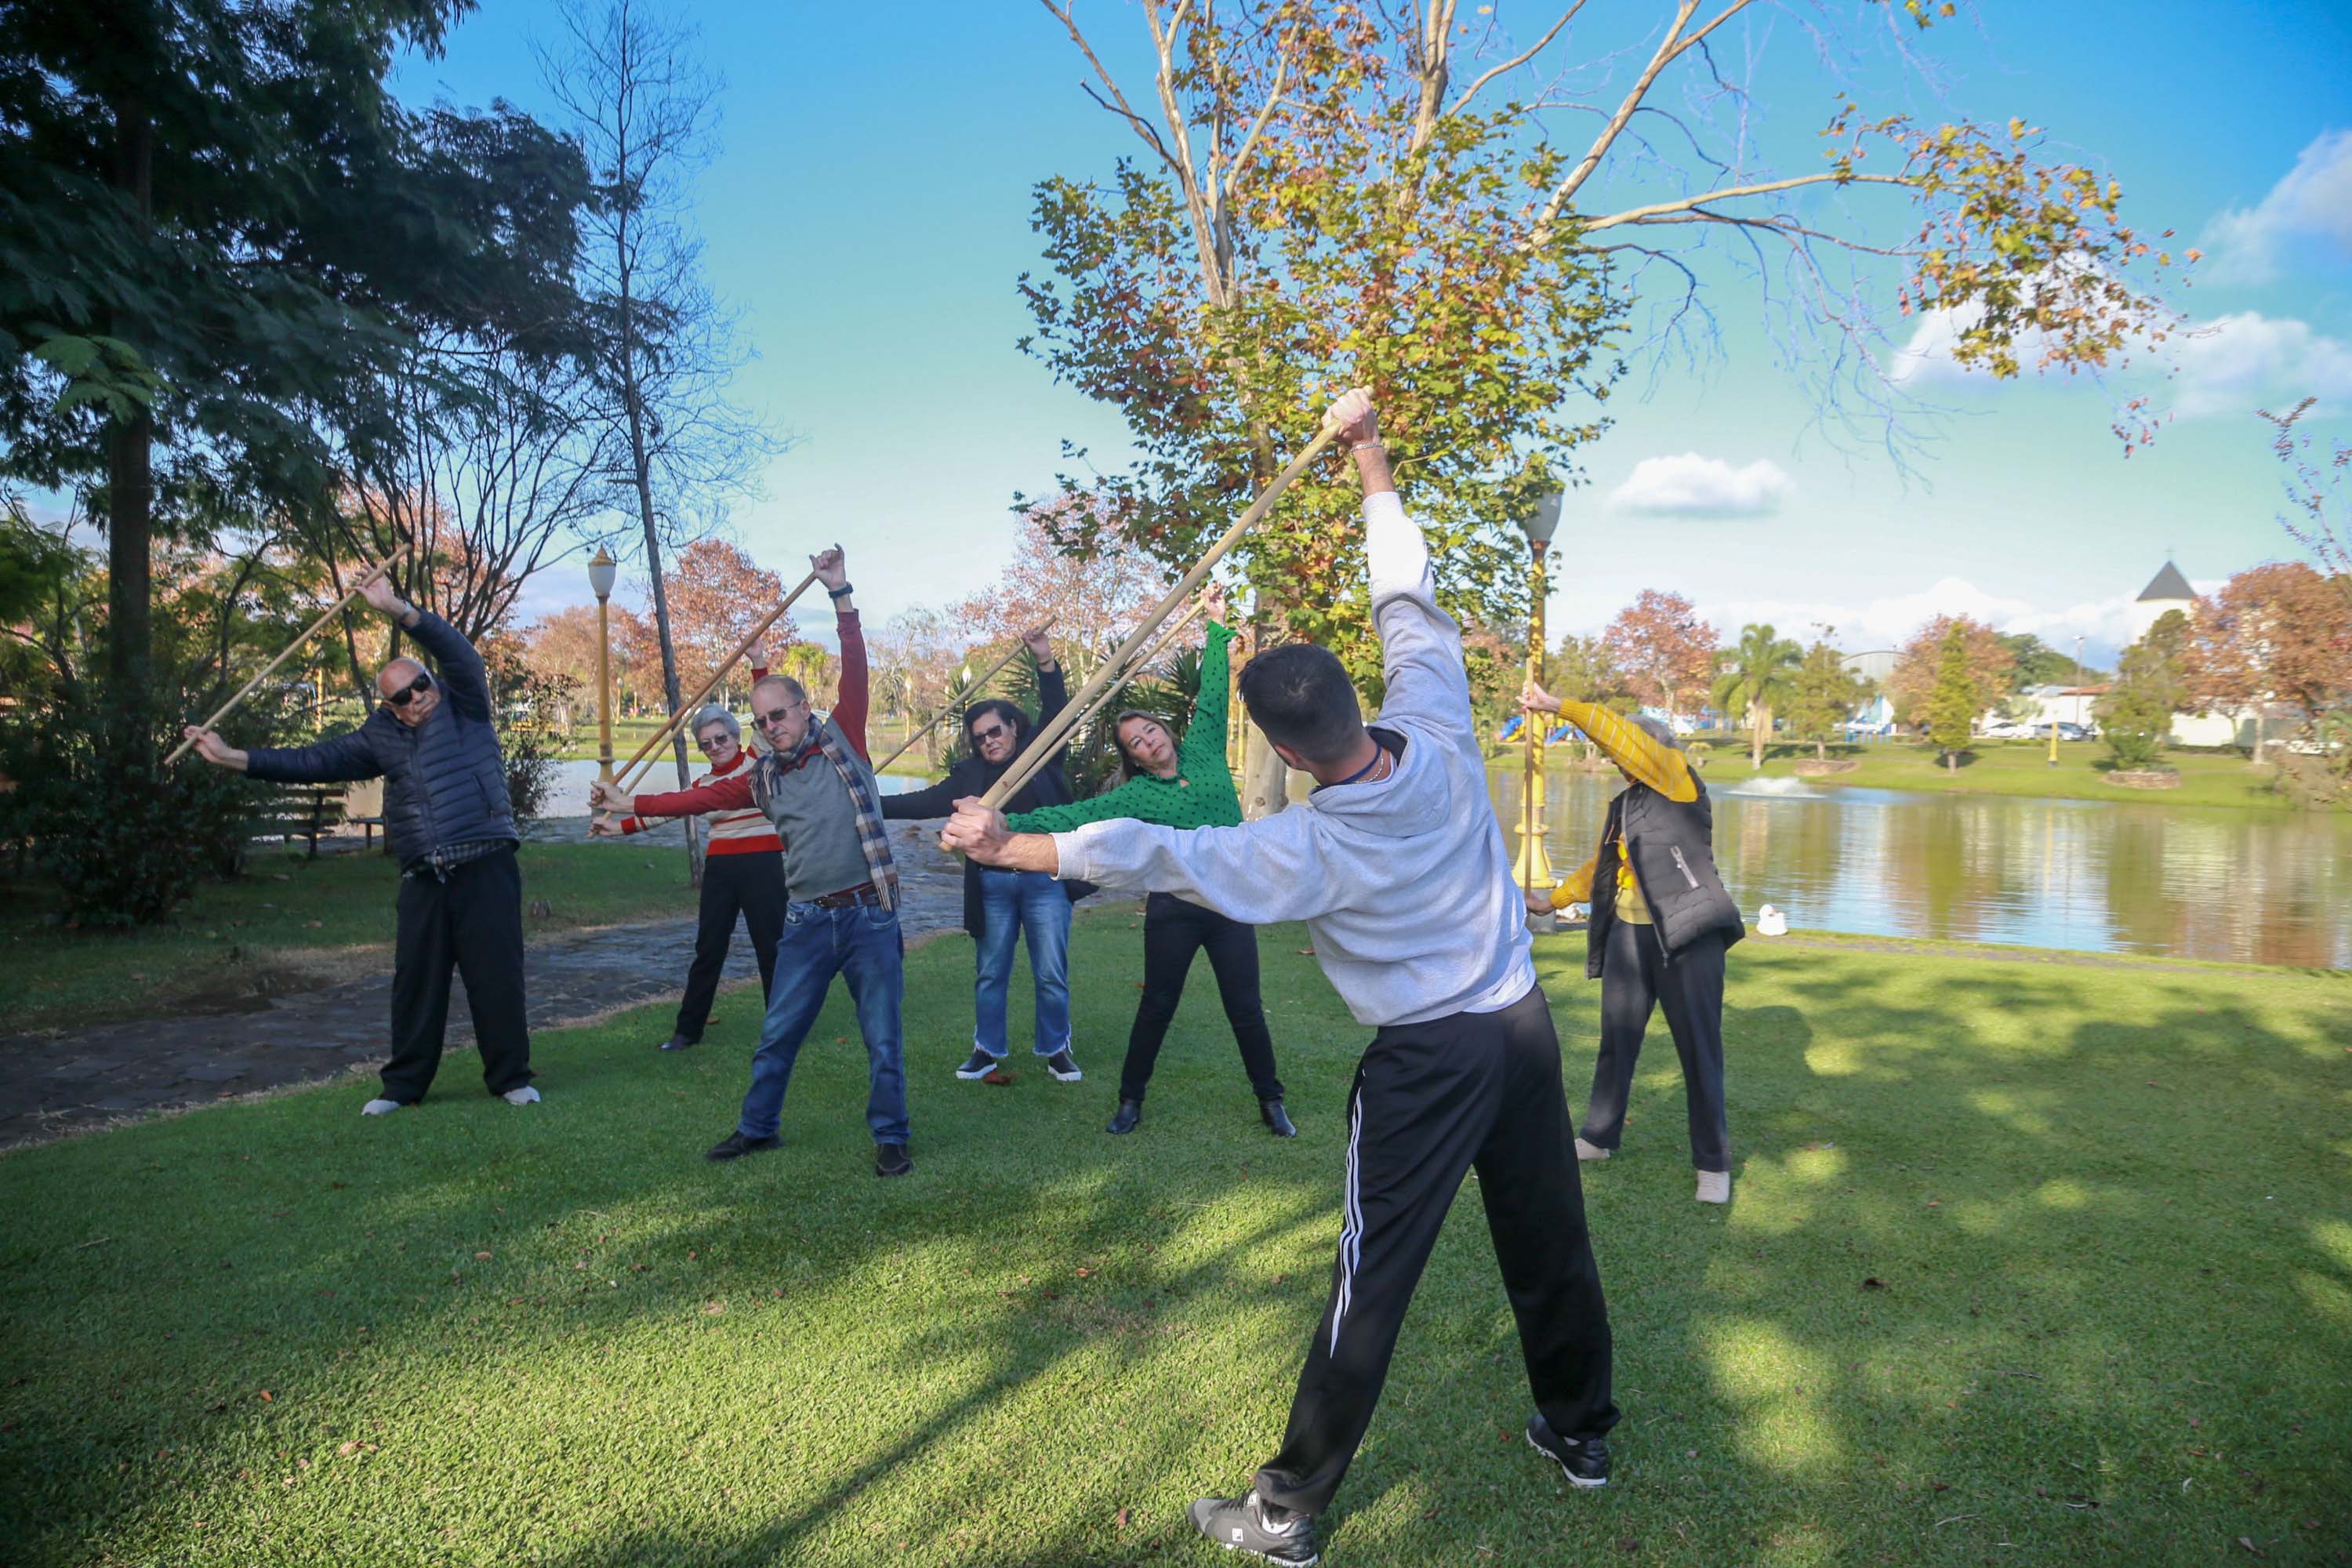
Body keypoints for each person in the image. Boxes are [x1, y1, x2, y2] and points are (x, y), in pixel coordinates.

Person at [946, 390, 1617, 1565]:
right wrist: (1369, 456)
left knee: (1374, 1275)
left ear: (1287, 750)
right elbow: (1405, 592)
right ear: (1359, 700)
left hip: (1432, 1058)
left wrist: (1013, 847)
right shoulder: (1440, 714)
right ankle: (1582, 1434)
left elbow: (1162, 852)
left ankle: (1288, 1511)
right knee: (1548, 1236)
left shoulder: (1312, 841)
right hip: (1520, 1027)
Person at [590, 547, 912, 1178]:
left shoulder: (845, 735)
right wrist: (631, 802)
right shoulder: (761, 777)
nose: (772, 726)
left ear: (802, 709)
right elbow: (699, 797)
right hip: (808, 922)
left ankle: (892, 1135)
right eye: (761, 720)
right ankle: (758, 1129)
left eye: (780, 715)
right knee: (777, 1036)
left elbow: (855, 667)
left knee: (883, 1040)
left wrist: (840, 595)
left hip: (869, 916)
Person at [181, 575, 537, 1116]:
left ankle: (511, 1078)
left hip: (484, 862)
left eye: (420, 684)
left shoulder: (466, 706)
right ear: (389, 706)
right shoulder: (379, 737)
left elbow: (460, 655)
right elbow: (310, 761)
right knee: (415, 984)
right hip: (425, 874)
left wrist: (397, 608)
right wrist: (233, 758)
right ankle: (402, 1088)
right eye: (403, 695)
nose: (418, 696)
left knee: (497, 977)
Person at [993, 586, 1293, 1139]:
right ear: (1132, 757)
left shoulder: (1204, 750)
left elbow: (1211, 693)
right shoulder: (1136, 797)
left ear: (1164, 730)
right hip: (1175, 908)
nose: (1148, 742)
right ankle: (1130, 1101)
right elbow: (1078, 813)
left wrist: (1216, 625)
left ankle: (1271, 1101)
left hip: (1229, 903)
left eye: (1150, 730)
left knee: (1245, 1008)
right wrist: (1007, 824)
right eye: (1136, 742)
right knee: (1157, 1005)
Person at [1519, 681, 1744, 1204]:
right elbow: (1603, 866)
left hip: (1688, 937)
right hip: (1629, 934)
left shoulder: (1676, 779)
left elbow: (1623, 740)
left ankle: (1713, 1164)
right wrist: (1551, 901)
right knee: (1617, 1040)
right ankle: (1599, 1136)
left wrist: (1560, 707)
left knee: (1699, 1051)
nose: (1621, 763)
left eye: (1627, 756)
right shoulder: (1628, 803)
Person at [879, 623, 1087, 1083]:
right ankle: (986, 1049)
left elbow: (1058, 711)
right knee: (990, 971)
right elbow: (922, 802)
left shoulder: (1040, 755)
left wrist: (1045, 659)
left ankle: (1056, 1048)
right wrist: (866, 804)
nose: (989, 740)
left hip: (1044, 879)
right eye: (980, 737)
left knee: (1051, 970)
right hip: (992, 883)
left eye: (995, 731)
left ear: (1012, 726)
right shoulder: (969, 775)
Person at [591, 642, 785, 1053]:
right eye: (707, 744)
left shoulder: (759, 759)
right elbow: (662, 812)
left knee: (771, 947)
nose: (715, 747)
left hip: (764, 865)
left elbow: (768, 713)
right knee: (708, 949)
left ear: (735, 736)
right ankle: (688, 1030)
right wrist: (612, 827)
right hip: (722, 870)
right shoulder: (702, 787)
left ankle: (782, 1028)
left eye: (721, 739)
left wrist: (758, 662)